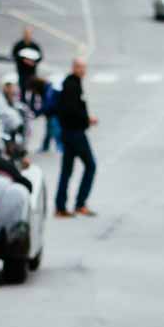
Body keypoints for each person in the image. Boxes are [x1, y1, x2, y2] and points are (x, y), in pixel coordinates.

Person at [54, 57, 97, 217]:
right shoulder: (72, 86)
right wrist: (87, 120)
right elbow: (71, 111)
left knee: (67, 170)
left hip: (68, 133)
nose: (82, 71)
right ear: (74, 68)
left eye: (84, 68)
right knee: (91, 165)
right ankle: (80, 203)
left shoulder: (72, 84)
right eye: (79, 67)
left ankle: (61, 207)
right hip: (75, 133)